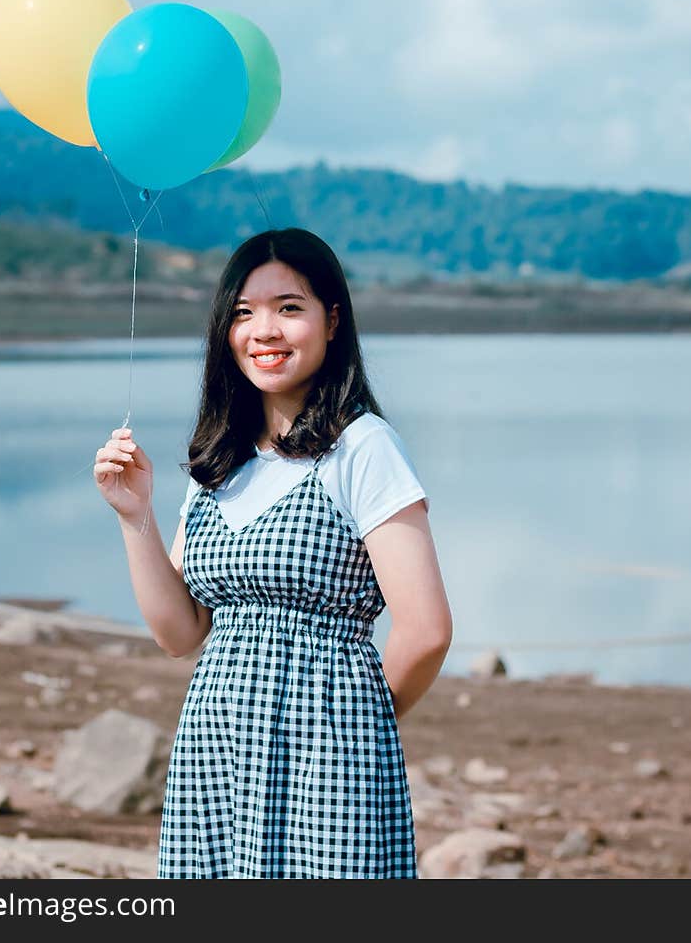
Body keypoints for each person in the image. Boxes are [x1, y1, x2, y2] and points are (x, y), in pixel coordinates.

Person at [94, 227, 452, 878]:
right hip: (216, 749)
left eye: (289, 308)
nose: (264, 330)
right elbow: (180, 633)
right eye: (243, 312)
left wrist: (351, 720)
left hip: (331, 753)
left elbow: (425, 631)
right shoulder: (219, 459)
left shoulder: (363, 446)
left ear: (332, 319)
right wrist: (135, 515)